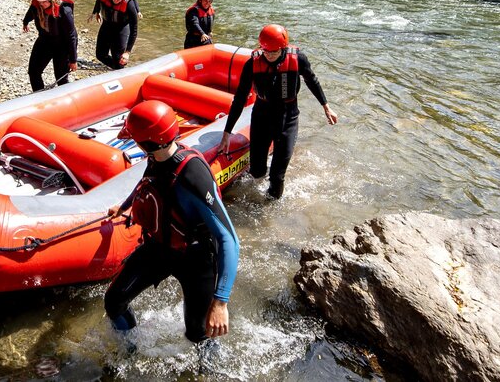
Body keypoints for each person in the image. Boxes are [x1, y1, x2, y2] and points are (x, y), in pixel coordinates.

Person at [105, 100, 240, 349]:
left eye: (134, 137)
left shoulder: (192, 175)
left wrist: (221, 303)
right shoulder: (156, 156)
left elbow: (229, 239)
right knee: (114, 302)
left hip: (196, 259)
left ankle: (206, 368)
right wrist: (124, 206)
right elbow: (149, 182)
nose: (132, 140)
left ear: (147, 142)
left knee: (198, 334)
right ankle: (129, 350)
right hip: (159, 248)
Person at [220, 24, 337, 199]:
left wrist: (326, 106)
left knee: (277, 176)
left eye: (274, 52)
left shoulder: (298, 59)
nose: (269, 55)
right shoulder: (253, 63)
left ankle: (269, 211)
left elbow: (312, 80)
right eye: (266, 51)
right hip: (261, 115)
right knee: (257, 171)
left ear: (283, 48)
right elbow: (239, 99)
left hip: (287, 116)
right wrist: (227, 132)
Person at [22, 0, 78, 92]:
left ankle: (67, 99)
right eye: (39, 2)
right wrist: (25, 22)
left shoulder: (64, 10)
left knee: (61, 78)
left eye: (43, 3)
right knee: (33, 72)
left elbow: (71, 36)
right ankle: (39, 96)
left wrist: (73, 60)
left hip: (62, 45)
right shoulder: (38, 3)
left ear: (52, 0)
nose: (41, 5)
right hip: (45, 40)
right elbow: (32, 11)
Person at [94, 0, 140, 70]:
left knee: (118, 58)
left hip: (121, 28)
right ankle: (118, 69)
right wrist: (96, 11)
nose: (115, 0)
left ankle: (120, 69)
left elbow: (134, 29)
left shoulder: (129, 4)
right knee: (100, 55)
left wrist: (127, 52)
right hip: (106, 25)